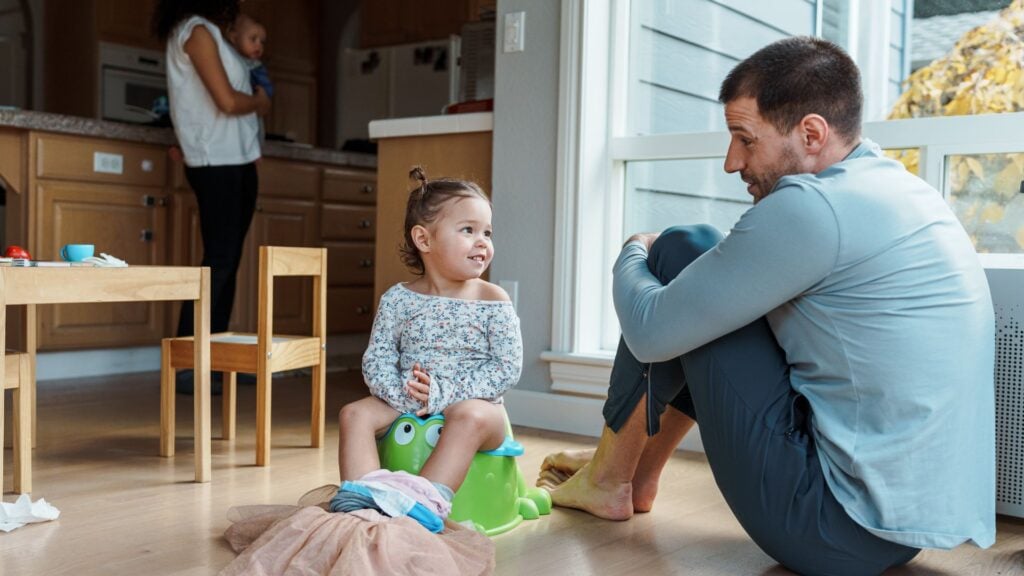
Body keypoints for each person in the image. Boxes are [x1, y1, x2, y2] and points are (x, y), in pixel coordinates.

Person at [538, 36, 995, 575]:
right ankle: (629, 476)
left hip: (831, 530)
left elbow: (649, 332)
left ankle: (608, 477)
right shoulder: (901, 191)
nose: (732, 162)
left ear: (811, 134)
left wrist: (634, 250)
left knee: (681, 248)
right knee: (709, 288)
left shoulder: (813, 206)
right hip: (903, 530)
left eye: (745, 139)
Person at [335, 167, 523, 521]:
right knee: (354, 414)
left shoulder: (492, 299)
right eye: (468, 230)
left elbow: (505, 369)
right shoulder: (398, 299)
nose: (482, 241)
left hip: (476, 407)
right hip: (406, 399)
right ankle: (366, 497)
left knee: (469, 416)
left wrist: (443, 393)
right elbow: (378, 358)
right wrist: (402, 394)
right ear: (424, 240)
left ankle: (423, 503)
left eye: (487, 232)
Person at [152, 0, 270, 394]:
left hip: (234, 161)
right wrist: (261, 102)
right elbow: (228, 101)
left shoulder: (209, 31)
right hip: (216, 163)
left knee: (226, 263)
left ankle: (214, 361)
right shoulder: (196, 31)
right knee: (218, 263)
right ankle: (188, 365)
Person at [225, 13, 272, 141]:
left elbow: (265, 92)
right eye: (253, 39)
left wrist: (262, 95)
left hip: (250, 114)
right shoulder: (226, 59)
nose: (258, 45)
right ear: (234, 38)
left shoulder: (256, 67)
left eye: (262, 42)